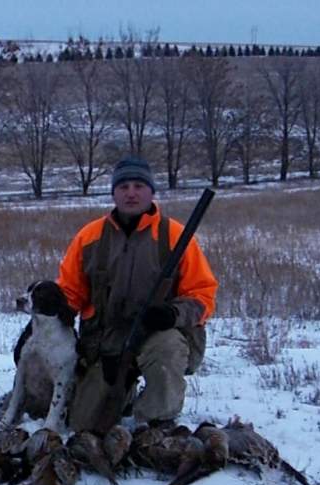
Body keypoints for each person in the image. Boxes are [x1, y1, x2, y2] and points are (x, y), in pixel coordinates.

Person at [57, 156, 217, 431]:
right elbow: (70, 292)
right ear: (114, 193)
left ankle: (157, 420)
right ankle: (124, 390)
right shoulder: (90, 236)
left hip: (159, 333)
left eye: (139, 185)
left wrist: (173, 314)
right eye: (124, 186)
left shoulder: (176, 235)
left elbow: (203, 294)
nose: (131, 192)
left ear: (151, 192)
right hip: (107, 341)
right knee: (83, 426)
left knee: (166, 349)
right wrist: (53, 315)